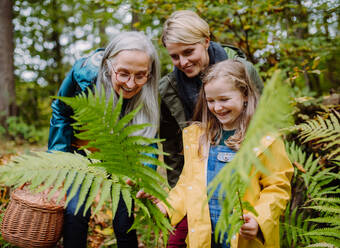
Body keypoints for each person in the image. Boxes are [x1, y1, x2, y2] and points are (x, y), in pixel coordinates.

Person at [156, 59, 293, 247]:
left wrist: (259, 219)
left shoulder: (265, 140)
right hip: (205, 233)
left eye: (224, 99)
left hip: (242, 235)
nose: (217, 107)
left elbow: (277, 187)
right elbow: (187, 185)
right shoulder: (199, 138)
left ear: (245, 95)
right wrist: (166, 206)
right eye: (210, 101)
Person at [158, 10, 264, 245]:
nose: (183, 62)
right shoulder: (168, 89)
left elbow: (264, 124)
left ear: (206, 42)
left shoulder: (243, 71)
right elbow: (172, 148)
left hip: (240, 180)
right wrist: (180, 198)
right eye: (175, 56)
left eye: (188, 52)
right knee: (176, 241)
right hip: (195, 180)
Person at [47, 31, 160, 248]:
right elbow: (60, 109)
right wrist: (58, 157)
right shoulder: (84, 74)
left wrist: (145, 173)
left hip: (123, 151)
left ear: (149, 73)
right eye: (124, 74)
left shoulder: (149, 91)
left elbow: (148, 138)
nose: (131, 84)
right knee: (75, 210)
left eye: (140, 75)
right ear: (109, 66)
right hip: (84, 147)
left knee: (125, 214)